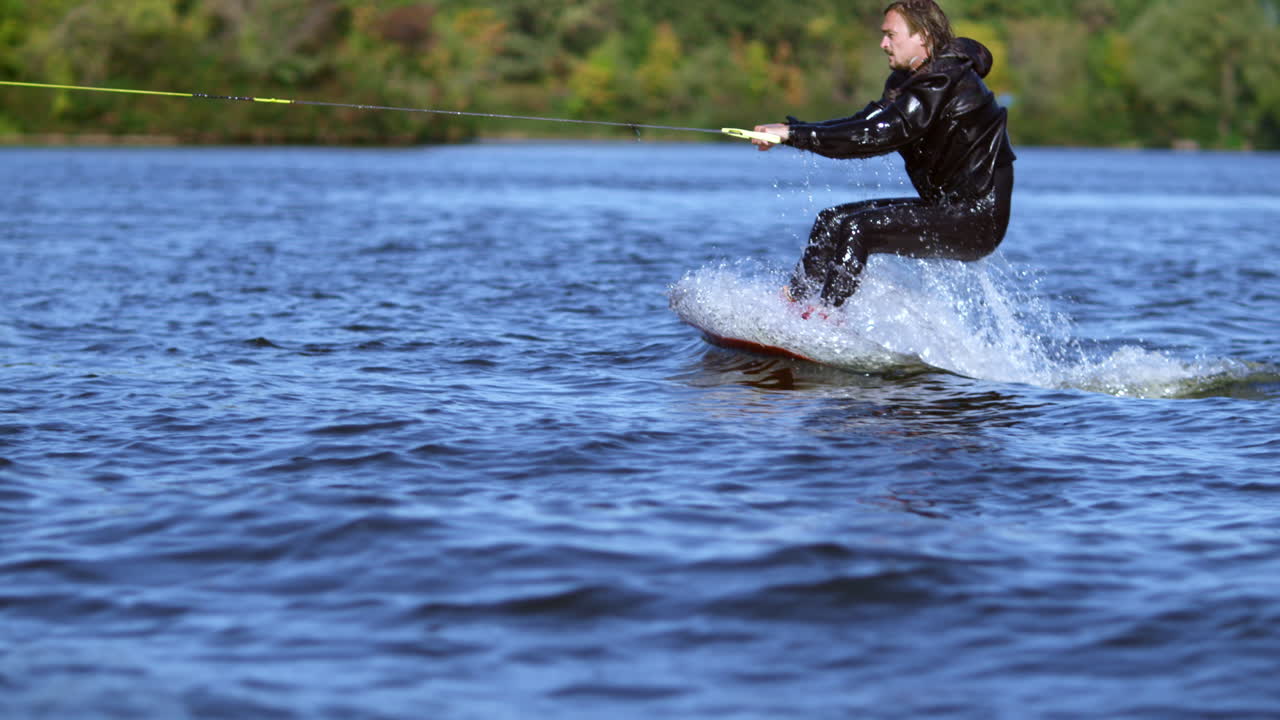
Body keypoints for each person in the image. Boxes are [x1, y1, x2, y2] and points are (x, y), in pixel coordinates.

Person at [753, 0, 1015, 308]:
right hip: (946, 207)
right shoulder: (908, 81)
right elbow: (863, 124)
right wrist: (790, 128)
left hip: (977, 218)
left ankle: (826, 318)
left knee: (858, 228)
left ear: (924, 36)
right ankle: (795, 303)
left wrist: (793, 136)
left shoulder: (944, 81)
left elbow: (877, 135)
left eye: (891, 35)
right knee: (832, 220)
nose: (883, 44)